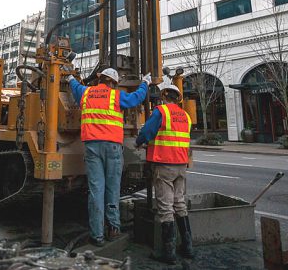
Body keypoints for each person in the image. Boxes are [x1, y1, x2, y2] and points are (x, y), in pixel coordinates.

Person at [65, 68, 151, 246]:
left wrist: (70, 77)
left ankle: (97, 235)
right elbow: (136, 98)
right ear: (113, 82)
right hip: (112, 147)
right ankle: (113, 228)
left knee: (96, 191)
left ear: (100, 79)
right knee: (112, 189)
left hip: (92, 147)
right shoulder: (116, 96)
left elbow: (74, 86)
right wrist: (145, 83)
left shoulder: (86, 93)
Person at [135, 81, 193, 264]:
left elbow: (147, 132)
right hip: (181, 165)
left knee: (166, 207)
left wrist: (138, 141)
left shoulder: (161, 112)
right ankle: (188, 247)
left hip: (164, 164)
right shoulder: (186, 116)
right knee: (180, 204)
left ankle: (169, 253)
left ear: (164, 96)